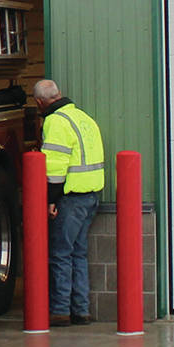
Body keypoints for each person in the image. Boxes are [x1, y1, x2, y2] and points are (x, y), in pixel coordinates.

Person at [33, 78, 106, 326]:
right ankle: (81, 310)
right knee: (78, 254)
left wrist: (50, 201)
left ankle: (61, 311)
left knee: (61, 254)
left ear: (39, 102)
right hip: (92, 195)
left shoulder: (55, 122)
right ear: (60, 94)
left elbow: (54, 168)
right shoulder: (83, 117)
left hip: (71, 198)